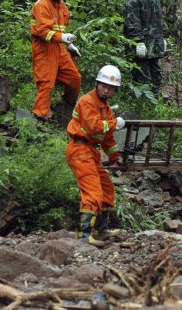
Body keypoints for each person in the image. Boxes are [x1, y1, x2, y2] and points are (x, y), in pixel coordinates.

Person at [66, 64, 126, 244]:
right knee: (92, 191)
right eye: (104, 86)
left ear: (115, 90)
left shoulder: (106, 109)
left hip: (91, 151)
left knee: (107, 188)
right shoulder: (87, 101)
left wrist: (115, 156)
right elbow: (93, 126)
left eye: (111, 88)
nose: (106, 90)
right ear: (97, 83)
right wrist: (115, 123)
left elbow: (106, 138)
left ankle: (101, 230)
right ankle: (83, 235)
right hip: (79, 150)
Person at [30, 0, 81, 121]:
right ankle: (40, 116)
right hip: (44, 49)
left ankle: (65, 105)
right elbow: (43, 32)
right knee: (46, 83)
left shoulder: (62, 7)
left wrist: (69, 46)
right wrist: (63, 38)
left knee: (74, 78)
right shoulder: (42, 5)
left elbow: (60, 29)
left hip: (59, 48)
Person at [123, 0, 166, 88]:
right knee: (142, 76)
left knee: (156, 74)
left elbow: (159, 18)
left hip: (155, 43)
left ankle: (157, 102)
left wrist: (163, 37)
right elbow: (131, 22)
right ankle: (142, 105)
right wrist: (138, 42)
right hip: (141, 45)